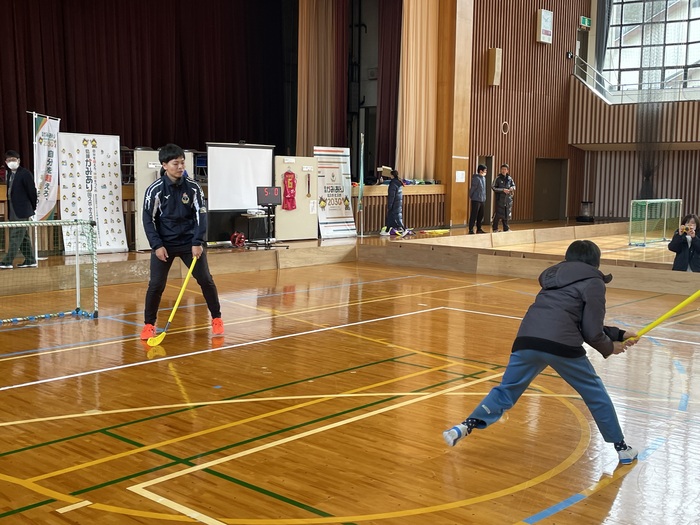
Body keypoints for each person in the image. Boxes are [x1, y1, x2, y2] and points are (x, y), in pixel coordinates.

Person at [442, 240, 640, 465]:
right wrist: (610, 348)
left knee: (506, 390)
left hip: (527, 339)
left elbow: (569, 318)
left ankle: (466, 425)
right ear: (596, 262)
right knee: (595, 394)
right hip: (561, 345)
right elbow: (591, 331)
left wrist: (619, 334)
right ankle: (621, 448)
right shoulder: (594, 282)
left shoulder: (554, 278)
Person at [140, 144, 224, 339]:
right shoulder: (155, 190)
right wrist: (157, 245)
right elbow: (147, 219)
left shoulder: (193, 187)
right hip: (164, 245)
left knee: (206, 280)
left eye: (182, 162)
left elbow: (201, 215)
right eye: (175, 163)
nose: (180, 167)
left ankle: (217, 319)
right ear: (164, 165)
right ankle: (149, 325)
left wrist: (198, 241)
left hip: (190, 243)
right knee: (156, 285)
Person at [0, 150, 38, 269]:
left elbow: (32, 192)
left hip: (23, 209)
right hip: (13, 208)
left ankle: (7, 261)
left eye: (14, 160)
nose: (11, 162)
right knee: (23, 236)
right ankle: (30, 260)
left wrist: (33, 207)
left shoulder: (25, 173)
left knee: (16, 235)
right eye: (9, 160)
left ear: (19, 160)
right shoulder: (10, 174)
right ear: (6, 162)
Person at [380, 169, 406, 236]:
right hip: (398, 202)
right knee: (390, 217)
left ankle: (404, 229)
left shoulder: (393, 183)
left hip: (394, 203)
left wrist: (390, 204)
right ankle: (387, 231)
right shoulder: (398, 182)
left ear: (392, 175)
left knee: (396, 217)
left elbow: (392, 195)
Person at [491, 163, 515, 232]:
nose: (503, 171)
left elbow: (514, 186)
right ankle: (495, 228)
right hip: (500, 200)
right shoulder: (498, 178)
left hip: (508, 200)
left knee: (506, 214)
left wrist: (511, 188)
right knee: (498, 214)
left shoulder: (510, 178)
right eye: (502, 169)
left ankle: (506, 228)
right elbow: (493, 187)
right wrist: (502, 190)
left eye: (505, 169)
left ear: (507, 170)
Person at [468, 164, 488, 234]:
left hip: (482, 199)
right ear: (481, 171)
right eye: (485, 170)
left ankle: (479, 228)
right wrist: (471, 196)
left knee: (481, 215)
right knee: (474, 214)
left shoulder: (484, 178)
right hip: (476, 199)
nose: (486, 172)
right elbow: (473, 189)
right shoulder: (476, 178)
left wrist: (484, 197)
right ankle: (471, 229)